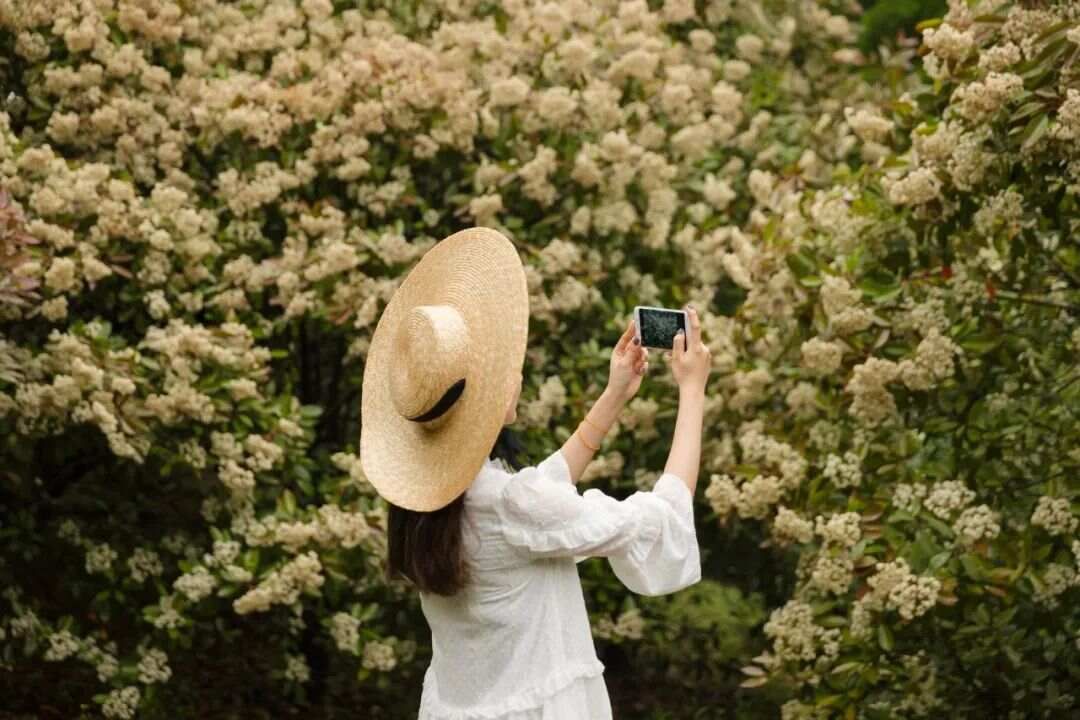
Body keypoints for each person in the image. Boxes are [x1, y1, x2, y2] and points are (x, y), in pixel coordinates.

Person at [360, 227, 712, 719]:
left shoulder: (428, 505)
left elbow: (537, 497)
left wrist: (614, 397)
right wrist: (692, 390)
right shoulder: (510, 504)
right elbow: (662, 517)